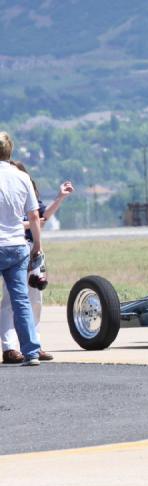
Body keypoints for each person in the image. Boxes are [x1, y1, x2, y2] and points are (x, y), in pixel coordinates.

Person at [0, 160, 73, 361]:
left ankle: (34, 343)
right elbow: (33, 220)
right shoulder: (10, 191)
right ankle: (10, 347)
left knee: (34, 299)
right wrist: (27, 226)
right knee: (11, 300)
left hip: (29, 249)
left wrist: (59, 198)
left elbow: (42, 216)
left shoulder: (24, 188)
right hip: (17, 245)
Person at [0, 131, 42, 366]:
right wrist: (37, 243)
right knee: (20, 300)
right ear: (11, 151)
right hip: (16, 245)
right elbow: (34, 215)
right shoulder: (22, 177)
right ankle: (31, 352)